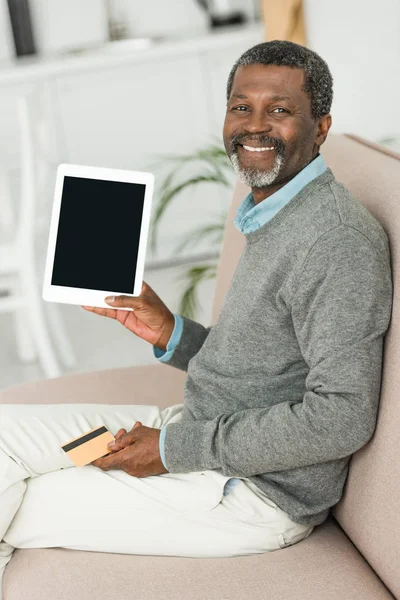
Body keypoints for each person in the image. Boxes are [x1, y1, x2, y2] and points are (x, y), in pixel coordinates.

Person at [0, 40, 392, 593]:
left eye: (279, 110)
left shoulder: (335, 241)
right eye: (241, 106)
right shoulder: (274, 208)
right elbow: (266, 362)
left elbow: (341, 417)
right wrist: (173, 333)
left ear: (320, 127)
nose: (253, 126)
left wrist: (170, 451)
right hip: (196, 429)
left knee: (23, 501)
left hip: (252, 493)